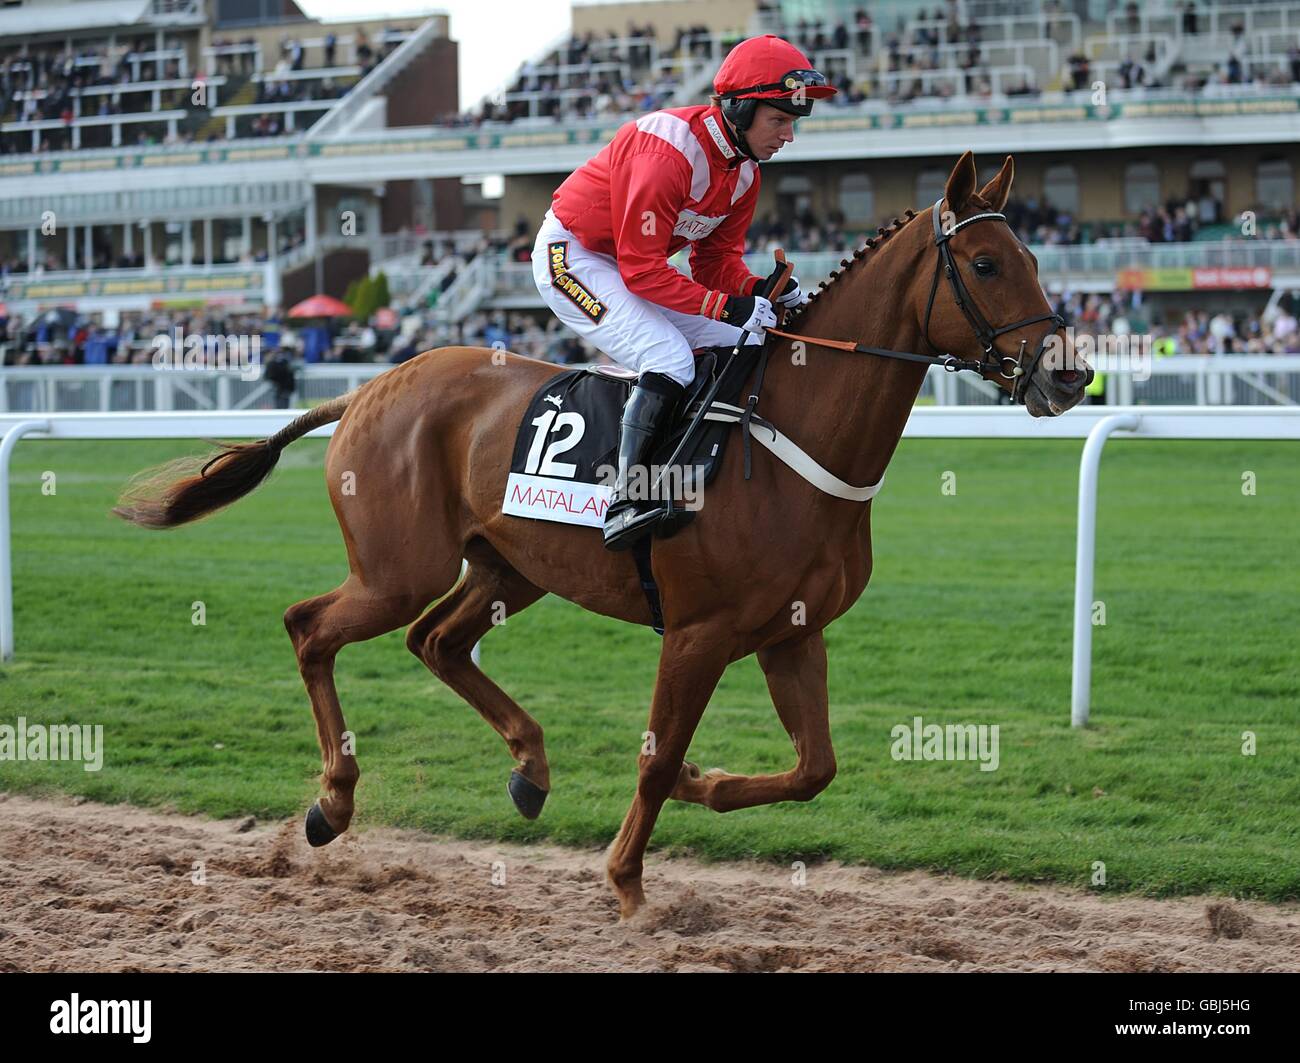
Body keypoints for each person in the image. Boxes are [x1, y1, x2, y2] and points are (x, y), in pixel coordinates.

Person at [530, 34, 836, 550]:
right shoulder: (668, 152)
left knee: (751, 338)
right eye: (779, 120)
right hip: (573, 256)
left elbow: (713, 263)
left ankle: (704, 474)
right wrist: (732, 305)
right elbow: (643, 271)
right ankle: (628, 498)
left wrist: (760, 288)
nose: (788, 136)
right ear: (739, 109)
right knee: (669, 357)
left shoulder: (744, 172)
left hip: (631, 265)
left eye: (794, 122)